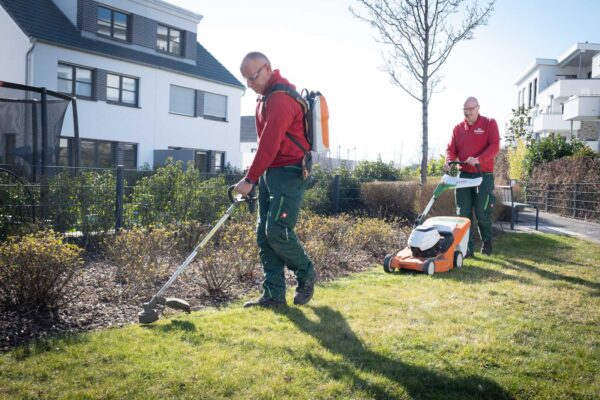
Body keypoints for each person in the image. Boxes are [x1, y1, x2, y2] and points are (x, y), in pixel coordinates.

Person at [234, 52, 316, 308]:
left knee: (277, 231)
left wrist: (250, 178)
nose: (249, 83)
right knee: (263, 234)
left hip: (290, 172)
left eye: (252, 76)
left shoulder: (280, 98)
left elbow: (270, 143)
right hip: (272, 172)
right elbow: (263, 147)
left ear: (267, 69)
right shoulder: (264, 98)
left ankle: (306, 273)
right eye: (245, 79)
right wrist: (255, 175)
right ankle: (273, 295)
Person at [445, 97, 500, 256]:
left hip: (483, 174)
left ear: (478, 108)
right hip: (463, 175)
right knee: (463, 212)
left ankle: (487, 242)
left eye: (471, 109)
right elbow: (450, 149)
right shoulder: (458, 128)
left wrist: (479, 159)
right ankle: (467, 249)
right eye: (465, 110)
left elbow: (495, 146)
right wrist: (449, 161)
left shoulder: (489, 123)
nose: (468, 112)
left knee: (483, 212)